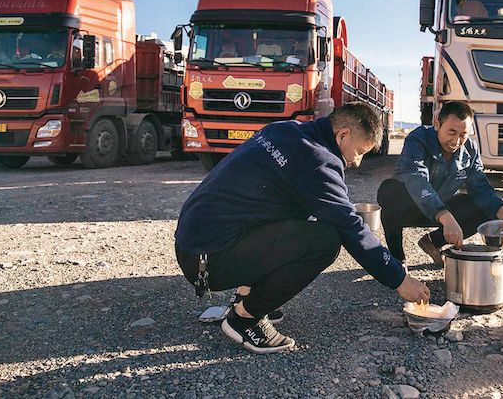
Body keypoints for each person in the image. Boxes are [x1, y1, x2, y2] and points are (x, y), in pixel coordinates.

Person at [174, 102, 429, 353]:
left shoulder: (284, 130)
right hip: (209, 260)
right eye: (360, 151)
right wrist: (399, 278)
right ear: (343, 135)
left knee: (303, 215)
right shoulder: (318, 162)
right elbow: (350, 227)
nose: (357, 162)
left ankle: (245, 296)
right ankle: (244, 319)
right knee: (325, 240)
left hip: (195, 244)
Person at [377, 101, 503, 267]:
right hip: (411, 206)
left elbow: (480, 186)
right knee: (388, 192)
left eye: (463, 134)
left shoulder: (470, 150)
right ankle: (397, 259)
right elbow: (417, 179)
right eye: (451, 132)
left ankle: (433, 242)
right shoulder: (418, 139)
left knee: (486, 208)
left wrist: (500, 210)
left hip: (443, 208)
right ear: (437, 124)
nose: (456, 141)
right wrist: (444, 216)